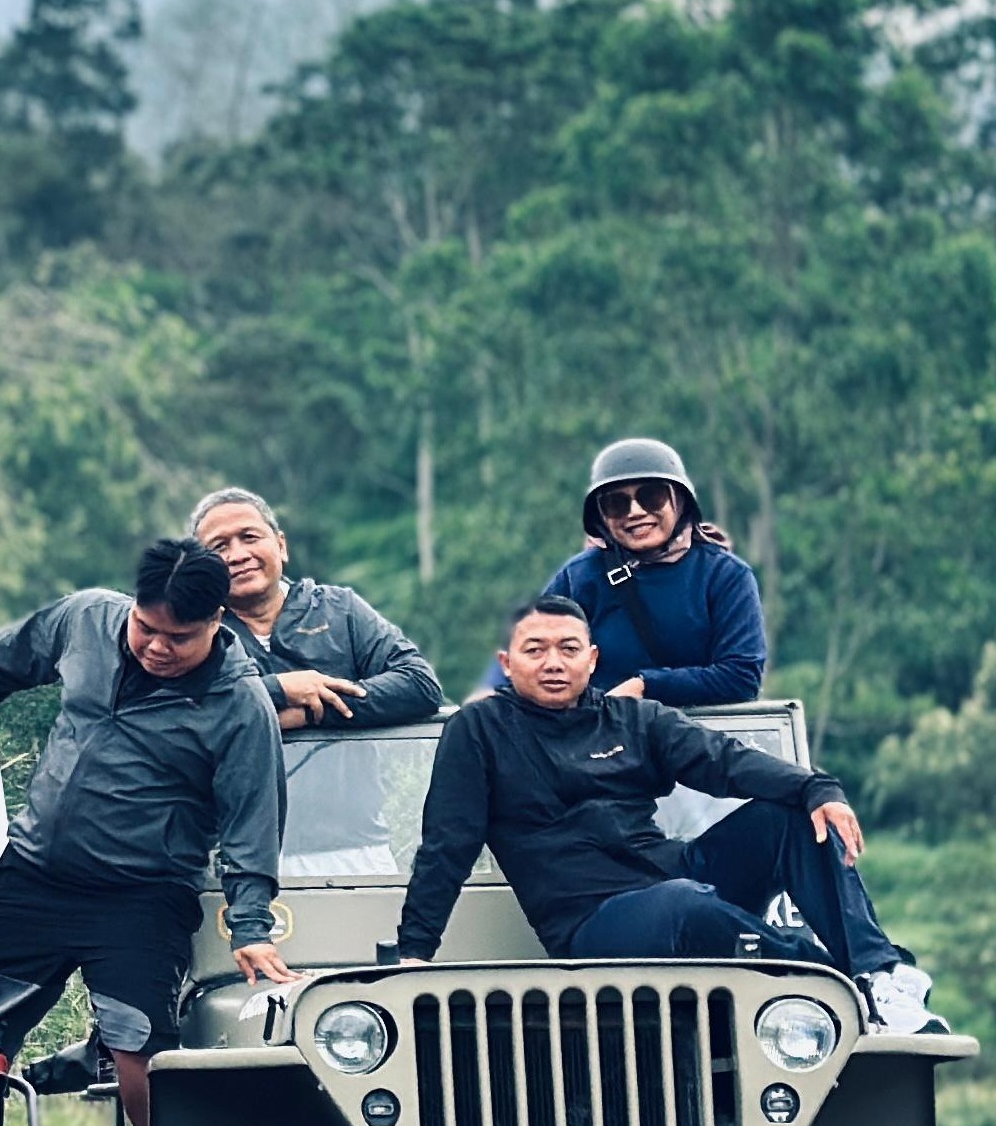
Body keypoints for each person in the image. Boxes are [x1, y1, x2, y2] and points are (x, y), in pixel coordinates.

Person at [0, 538, 291, 1126]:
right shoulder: (86, 620)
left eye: (178, 638)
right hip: (34, 877)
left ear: (217, 622)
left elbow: (252, 825)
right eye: (146, 627)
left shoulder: (240, 706)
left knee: (139, 1049)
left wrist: (251, 928)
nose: (157, 647)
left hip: (142, 898)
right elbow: (7, 661)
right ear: (132, 606)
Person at [401, 595, 937, 1033]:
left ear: (591, 660)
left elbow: (726, 762)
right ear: (507, 663)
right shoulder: (479, 730)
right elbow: (449, 846)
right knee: (685, 904)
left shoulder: (633, 719)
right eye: (535, 649)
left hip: (674, 874)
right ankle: (833, 982)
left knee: (791, 817)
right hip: (593, 921)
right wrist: (413, 955)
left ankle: (878, 975)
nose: (553, 663)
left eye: (567, 649)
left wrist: (820, 788)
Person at [187, 487, 442, 734]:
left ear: (281, 546)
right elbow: (182, 713)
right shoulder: (193, 632)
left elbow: (420, 684)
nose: (238, 555)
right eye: (219, 547)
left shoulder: (338, 609)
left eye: (249, 537)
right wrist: (279, 689)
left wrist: (310, 713)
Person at [536, 438, 768, 705]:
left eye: (652, 497)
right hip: (598, 737)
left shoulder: (724, 575)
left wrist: (645, 686)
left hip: (705, 739)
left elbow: (741, 677)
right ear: (601, 517)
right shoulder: (579, 577)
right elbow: (532, 660)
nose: (635, 512)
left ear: (679, 502)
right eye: (616, 504)